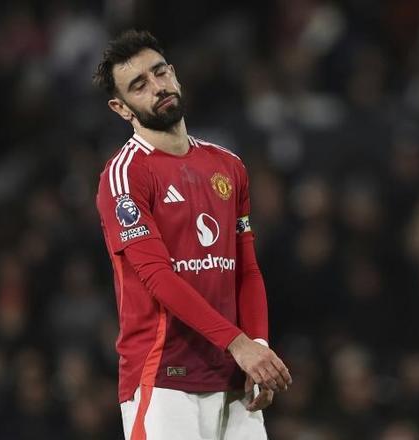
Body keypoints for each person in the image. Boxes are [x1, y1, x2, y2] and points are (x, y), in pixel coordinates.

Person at [93, 30, 292, 440]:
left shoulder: (228, 166)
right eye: (139, 85)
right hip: (164, 378)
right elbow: (158, 278)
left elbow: (246, 272)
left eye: (160, 72)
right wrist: (239, 344)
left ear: (175, 73)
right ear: (121, 107)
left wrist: (256, 346)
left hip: (233, 379)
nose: (157, 87)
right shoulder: (126, 174)